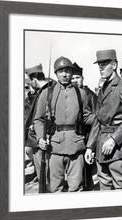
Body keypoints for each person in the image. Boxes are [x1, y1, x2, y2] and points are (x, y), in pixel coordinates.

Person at [33, 56, 98, 192]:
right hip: (54, 147)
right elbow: (38, 119)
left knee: (76, 188)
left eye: (67, 70)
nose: (64, 74)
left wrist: (100, 118)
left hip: (76, 146)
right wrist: (40, 138)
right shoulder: (47, 93)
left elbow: (86, 116)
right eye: (61, 71)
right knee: (55, 188)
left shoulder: (81, 94)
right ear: (56, 73)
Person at [85, 49, 122, 190]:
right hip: (101, 147)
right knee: (104, 188)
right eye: (99, 64)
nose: (100, 67)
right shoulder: (104, 87)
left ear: (114, 65)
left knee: (121, 188)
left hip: (118, 149)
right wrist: (90, 146)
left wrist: (114, 139)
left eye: (104, 64)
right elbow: (97, 120)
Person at [24, 64, 54, 182]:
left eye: (30, 81)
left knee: (46, 178)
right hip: (37, 140)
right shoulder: (43, 92)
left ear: (34, 80)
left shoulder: (45, 92)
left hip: (41, 141)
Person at [71, 62, 98, 190]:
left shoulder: (91, 95)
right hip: (74, 140)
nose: (75, 81)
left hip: (88, 139)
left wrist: (91, 145)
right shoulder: (70, 95)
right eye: (72, 78)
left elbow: (96, 121)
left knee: (87, 173)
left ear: (82, 79)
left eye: (77, 77)